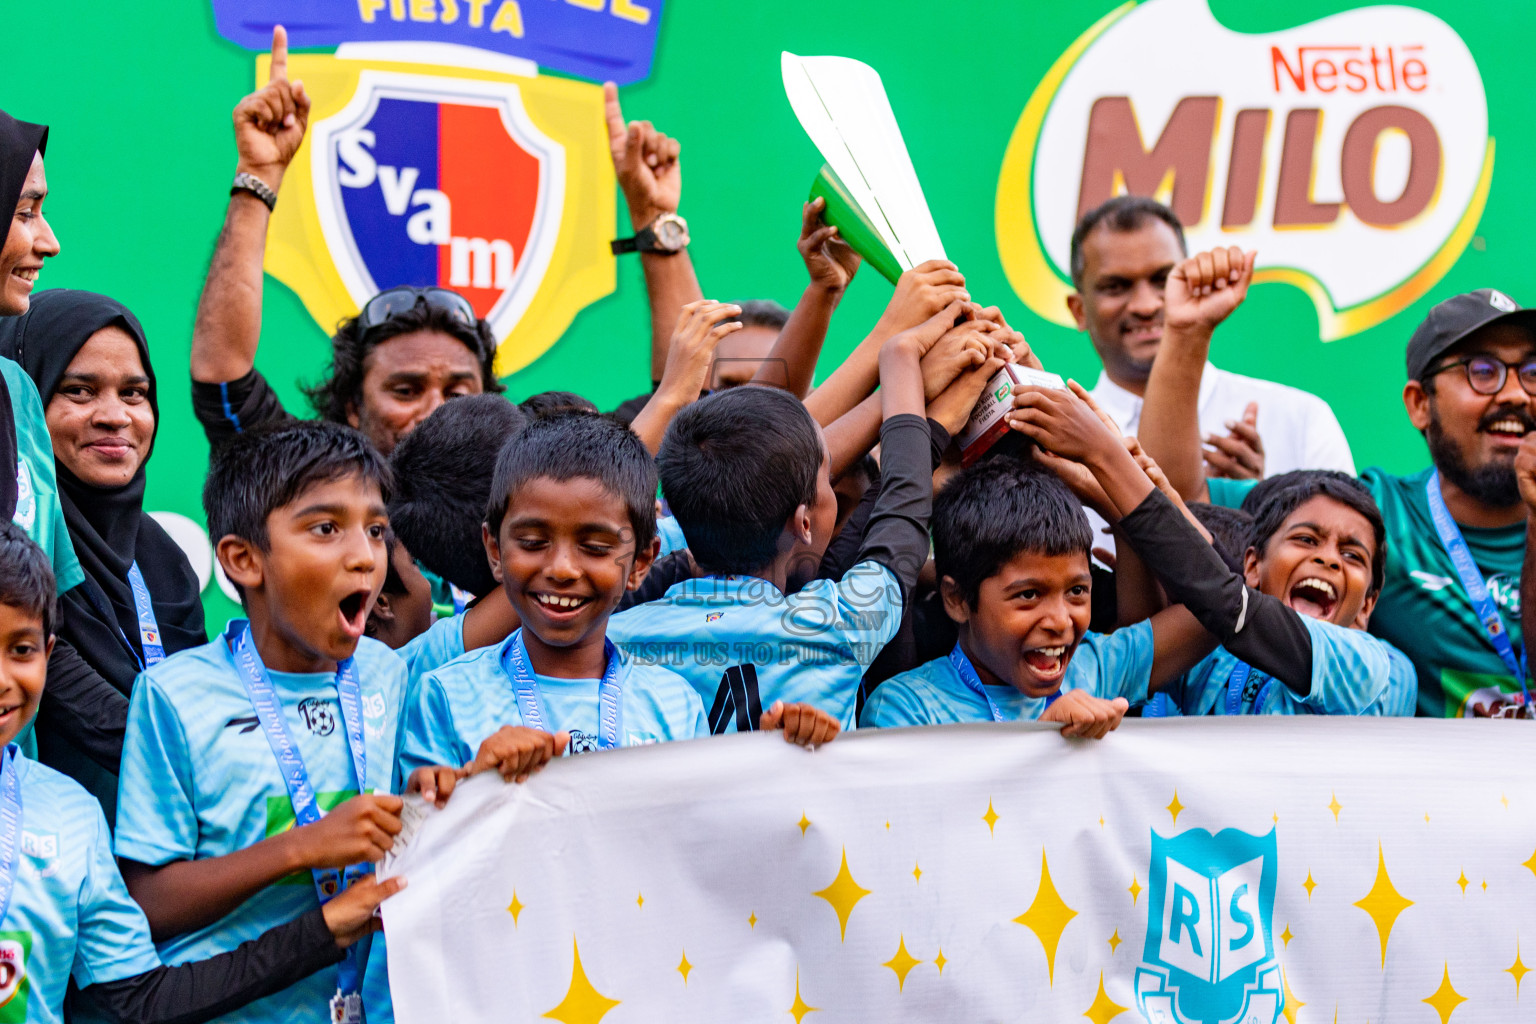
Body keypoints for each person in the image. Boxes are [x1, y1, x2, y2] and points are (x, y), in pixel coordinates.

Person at [0, 519, 404, 1024]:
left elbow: (142, 1001)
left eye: (20, 650)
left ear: (49, 654)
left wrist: (321, 931)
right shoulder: (173, 698)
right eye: (324, 529)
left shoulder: (71, 815)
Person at [112, 422, 409, 1024]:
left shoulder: (387, 673)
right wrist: (301, 847)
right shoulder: (174, 694)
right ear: (243, 560)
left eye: (376, 531)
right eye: (326, 529)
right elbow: (149, 902)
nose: (363, 556)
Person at [397, 414, 839, 785]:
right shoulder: (444, 696)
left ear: (642, 561)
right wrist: (478, 783)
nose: (563, 568)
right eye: (533, 541)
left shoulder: (673, 702)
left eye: (595, 547)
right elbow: (426, 851)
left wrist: (777, 756)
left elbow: (697, 838)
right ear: (495, 549)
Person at [606, 302, 948, 731]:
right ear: (804, 521)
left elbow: (608, 526)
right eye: (828, 476)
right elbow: (903, 511)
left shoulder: (613, 638)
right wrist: (901, 363)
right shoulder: (837, 626)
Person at [1008, 386, 1416, 717]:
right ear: (1253, 566)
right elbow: (1143, 645)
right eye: (1306, 539)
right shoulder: (1215, 656)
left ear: (1367, 607)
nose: (1328, 558)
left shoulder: (1366, 664)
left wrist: (1109, 460)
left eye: (1352, 555)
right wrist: (1114, 501)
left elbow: (1231, 606)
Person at [188, 27, 501, 457]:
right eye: (406, 390)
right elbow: (222, 375)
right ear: (353, 407)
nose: (436, 413)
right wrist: (258, 176)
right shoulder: (312, 483)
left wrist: (633, 220)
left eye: (459, 394)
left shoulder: (532, 497)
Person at [0, 290, 207, 820]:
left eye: (134, 394)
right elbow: (57, 669)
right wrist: (190, 760)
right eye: (79, 391)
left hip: (167, 867)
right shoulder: (20, 532)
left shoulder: (165, 561)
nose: (114, 416)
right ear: (24, 404)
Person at [858, 458, 1208, 733]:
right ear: (957, 599)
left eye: (1077, 591)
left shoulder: (1092, 668)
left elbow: (1218, 608)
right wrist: (1044, 742)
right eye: (1028, 595)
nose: (1060, 621)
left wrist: (1106, 487)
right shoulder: (904, 708)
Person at [1070, 196, 1353, 485]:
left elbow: (1349, 529)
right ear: (1078, 310)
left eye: (1163, 280)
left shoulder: (1299, 421)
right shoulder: (1061, 441)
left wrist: (1262, 502)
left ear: (1192, 282)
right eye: (1116, 287)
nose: (1145, 306)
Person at [1359, 289, 1536, 717]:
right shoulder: (1377, 514)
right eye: (1482, 370)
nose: (1516, 394)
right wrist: (1186, 334)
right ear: (1420, 404)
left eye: (1532, 371)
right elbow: (1188, 499)